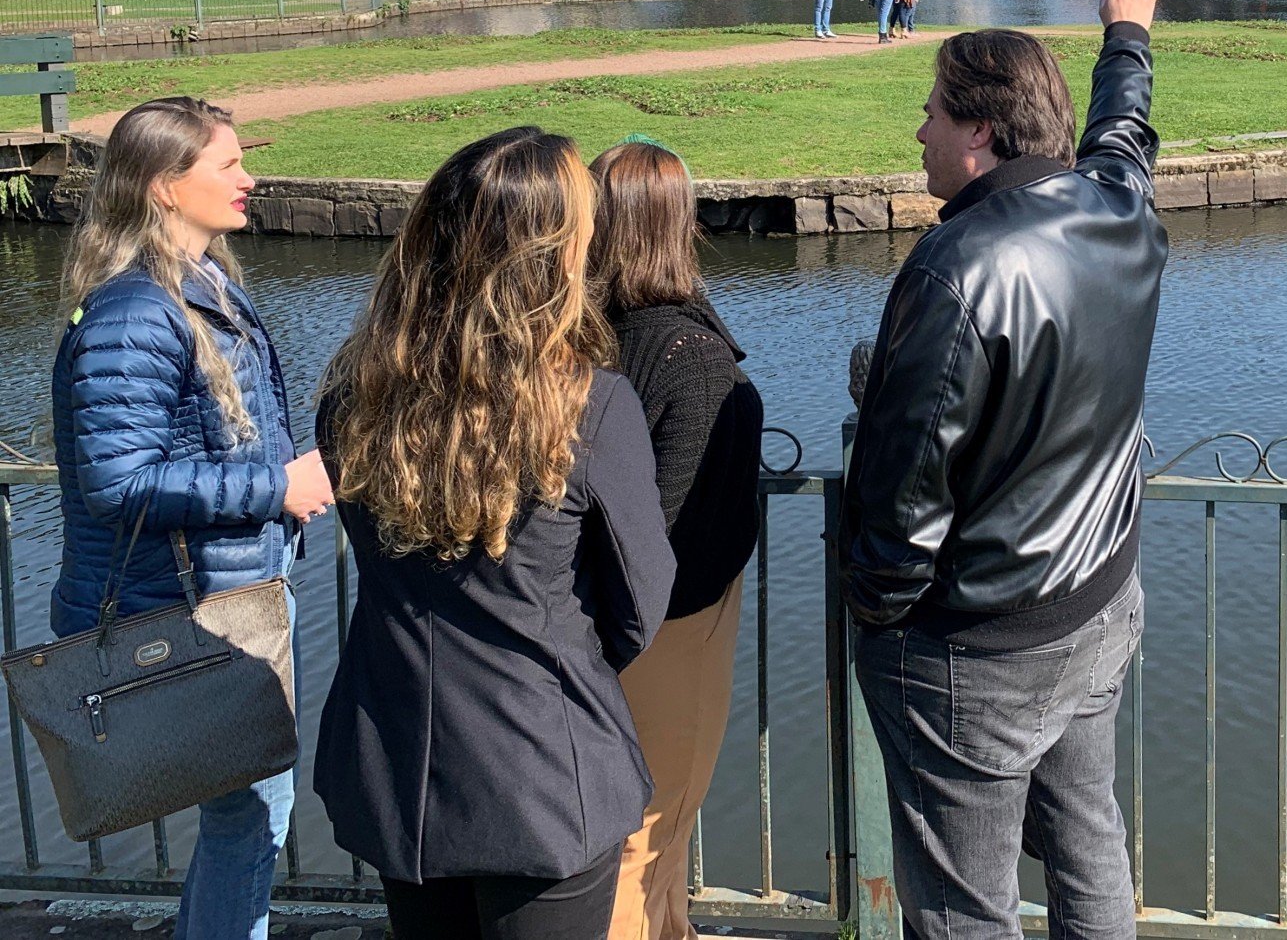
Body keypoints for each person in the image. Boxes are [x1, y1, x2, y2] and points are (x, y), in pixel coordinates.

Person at [841, 0, 1170, 940]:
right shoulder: (1118, 206)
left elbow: (906, 496)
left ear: (979, 130)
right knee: (1088, 843)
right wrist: (1128, 32)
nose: (919, 132)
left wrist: (882, 619)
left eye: (934, 113)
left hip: (976, 651)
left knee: (962, 908)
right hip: (1101, 606)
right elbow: (1124, 128)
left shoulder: (954, 266)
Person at [314, 127, 675, 940]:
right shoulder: (595, 406)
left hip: (398, 757)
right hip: (543, 770)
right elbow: (637, 609)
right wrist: (550, 658)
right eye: (584, 233)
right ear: (552, 259)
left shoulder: (352, 395)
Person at [50, 95, 332, 940]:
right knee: (251, 814)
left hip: (227, 601)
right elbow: (117, 481)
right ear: (166, 186)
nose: (249, 179)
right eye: (228, 165)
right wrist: (273, 489)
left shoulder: (196, 286)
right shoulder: (137, 311)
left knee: (248, 814)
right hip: (192, 615)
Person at [588, 138, 764, 940]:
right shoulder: (684, 349)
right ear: (675, 224)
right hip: (670, 626)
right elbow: (663, 520)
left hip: (622, 622)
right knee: (650, 829)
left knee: (648, 829)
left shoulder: (596, 332)